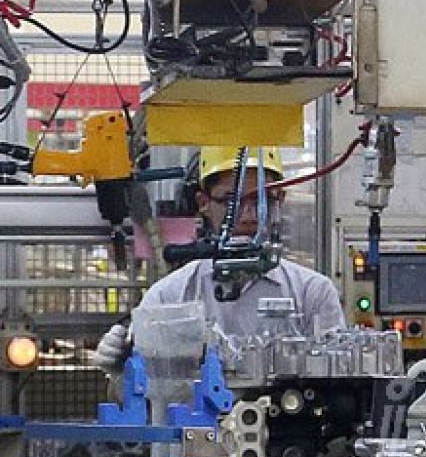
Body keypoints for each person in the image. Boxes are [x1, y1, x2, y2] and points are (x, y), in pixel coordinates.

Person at [94, 146, 345, 372]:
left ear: (280, 200)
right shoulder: (170, 296)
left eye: (262, 200)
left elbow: (338, 381)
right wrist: (120, 370)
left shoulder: (313, 293)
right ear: (203, 203)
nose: (248, 216)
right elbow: (137, 398)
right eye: (230, 202)